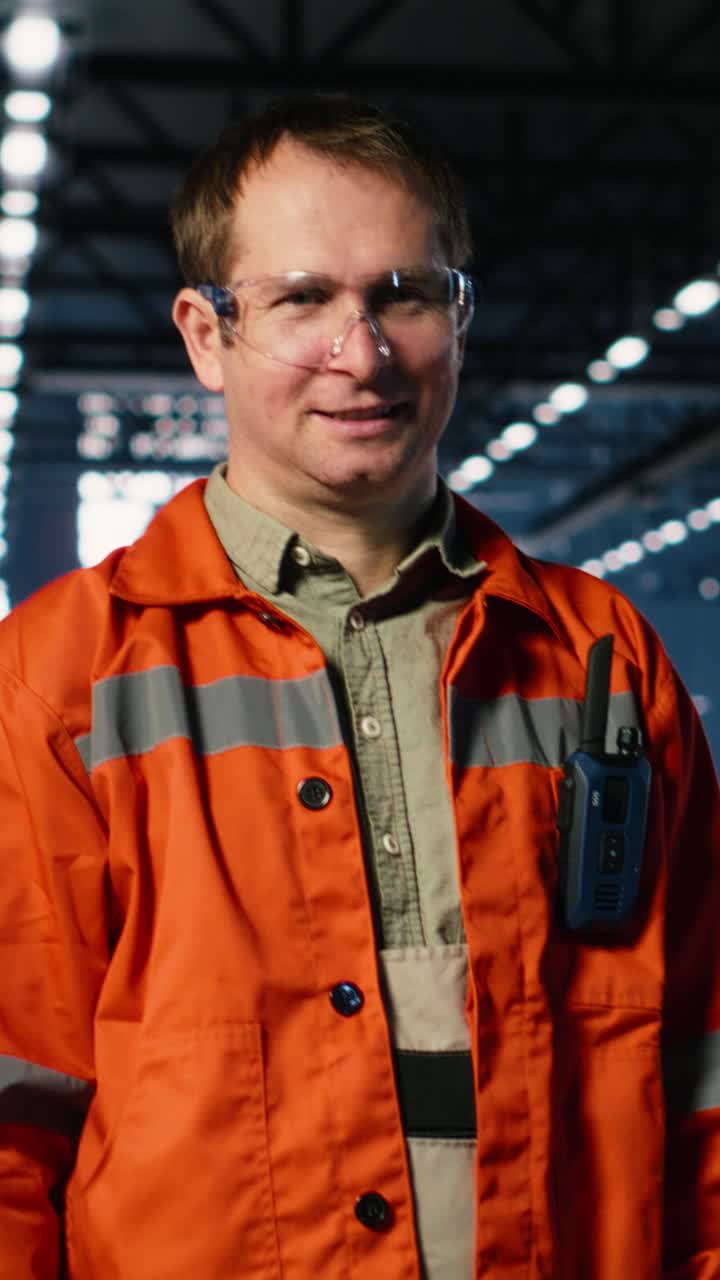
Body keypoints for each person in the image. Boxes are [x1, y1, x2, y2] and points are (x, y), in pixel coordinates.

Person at [0, 93, 718, 1280]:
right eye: (302, 299)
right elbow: (15, 1107)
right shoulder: (64, 674)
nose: (364, 351)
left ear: (458, 314)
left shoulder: (599, 653)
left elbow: (699, 1055)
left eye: (405, 294)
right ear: (205, 332)